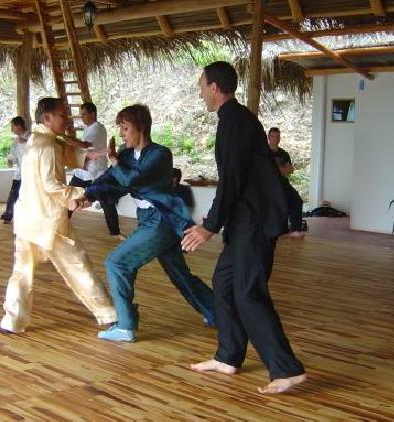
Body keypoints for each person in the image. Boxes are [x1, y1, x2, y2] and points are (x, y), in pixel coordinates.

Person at [181, 62, 306, 394]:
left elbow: (231, 181)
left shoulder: (235, 122)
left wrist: (209, 226)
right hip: (245, 222)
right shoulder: (234, 120)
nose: (200, 92)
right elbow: (236, 180)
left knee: (248, 292)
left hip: (256, 222)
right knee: (223, 283)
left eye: (202, 86)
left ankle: (286, 369)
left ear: (216, 87)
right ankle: (228, 355)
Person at [80, 104, 215, 342]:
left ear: (140, 128)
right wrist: (86, 195)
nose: (121, 134)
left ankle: (126, 325)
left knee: (117, 263)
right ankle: (218, 313)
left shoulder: (161, 154)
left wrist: (112, 159)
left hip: (163, 219)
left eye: (125, 128)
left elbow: (134, 179)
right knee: (179, 273)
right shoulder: (125, 155)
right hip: (148, 220)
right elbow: (111, 180)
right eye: (120, 129)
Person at [0, 97, 117, 334]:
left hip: (28, 219)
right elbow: (51, 185)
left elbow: (64, 151)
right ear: (47, 118)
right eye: (63, 115)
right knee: (78, 264)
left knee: (22, 272)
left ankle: (11, 321)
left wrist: (92, 155)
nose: (67, 119)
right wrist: (82, 194)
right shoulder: (47, 146)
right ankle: (109, 313)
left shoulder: (39, 140)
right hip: (47, 222)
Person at [68, 102, 124, 240]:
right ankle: (63, 224)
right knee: (68, 197)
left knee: (107, 202)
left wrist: (65, 138)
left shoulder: (97, 128)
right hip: (82, 172)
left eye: (84, 114)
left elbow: (84, 146)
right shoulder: (88, 128)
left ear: (93, 113)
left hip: (96, 172)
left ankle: (115, 232)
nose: (82, 117)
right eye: (81, 114)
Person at [267, 127, 305, 238]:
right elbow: (266, 171)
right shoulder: (264, 152)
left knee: (297, 201)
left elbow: (290, 170)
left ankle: (295, 229)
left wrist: (277, 169)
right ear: (268, 137)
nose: (275, 139)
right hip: (269, 185)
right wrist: (280, 169)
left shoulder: (283, 153)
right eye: (273, 136)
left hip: (283, 183)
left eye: (278, 136)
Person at [0, 116, 30, 224]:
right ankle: (8, 215)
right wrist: (10, 161)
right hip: (19, 173)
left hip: (30, 173)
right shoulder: (16, 141)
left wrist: (24, 141)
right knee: (14, 193)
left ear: (18, 126)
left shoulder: (31, 137)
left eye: (12, 127)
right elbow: (13, 156)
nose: (12, 129)